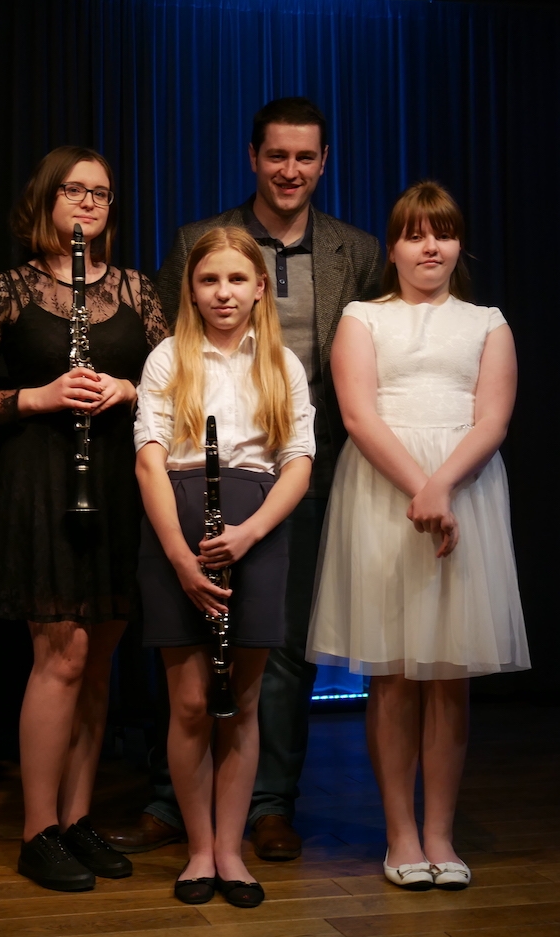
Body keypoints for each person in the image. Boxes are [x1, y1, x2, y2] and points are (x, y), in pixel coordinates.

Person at [106, 97, 381, 861]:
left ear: (324, 163)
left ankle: (269, 804)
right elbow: (167, 343)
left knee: (283, 646)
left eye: (305, 157)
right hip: (196, 467)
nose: (290, 170)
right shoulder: (198, 239)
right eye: (276, 155)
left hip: (302, 468)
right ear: (254, 157)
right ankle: (172, 801)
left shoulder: (357, 250)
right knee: (187, 641)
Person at [0, 146, 168, 892]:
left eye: (100, 193)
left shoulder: (137, 290)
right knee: (61, 657)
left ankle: (77, 820)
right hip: (42, 482)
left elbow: (175, 384)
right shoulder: (7, 291)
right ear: (46, 200)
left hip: (118, 481)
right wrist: (36, 397)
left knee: (99, 660)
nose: (88, 203)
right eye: (74, 190)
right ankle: (37, 830)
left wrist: (129, 390)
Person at [306, 181, 530, 891]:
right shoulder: (362, 317)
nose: (430, 246)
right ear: (394, 247)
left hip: (465, 489)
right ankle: (401, 834)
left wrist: (443, 486)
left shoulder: (488, 322)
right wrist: (418, 486)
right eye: (415, 234)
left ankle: (441, 834)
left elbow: (493, 420)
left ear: (459, 244)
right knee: (395, 673)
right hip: (383, 490)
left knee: (449, 674)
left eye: (444, 233)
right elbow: (358, 414)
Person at [134, 227, 314, 907]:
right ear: (191, 289)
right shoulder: (166, 358)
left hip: (254, 532)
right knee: (187, 702)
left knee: (242, 702)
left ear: (260, 287)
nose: (224, 293)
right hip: (178, 528)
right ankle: (200, 850)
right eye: (209, 280)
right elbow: (149, 459)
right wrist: (180, 557)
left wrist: (251, 532)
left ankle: (232, 851)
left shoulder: (282, 364)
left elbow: (298, 461)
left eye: (238, 279)